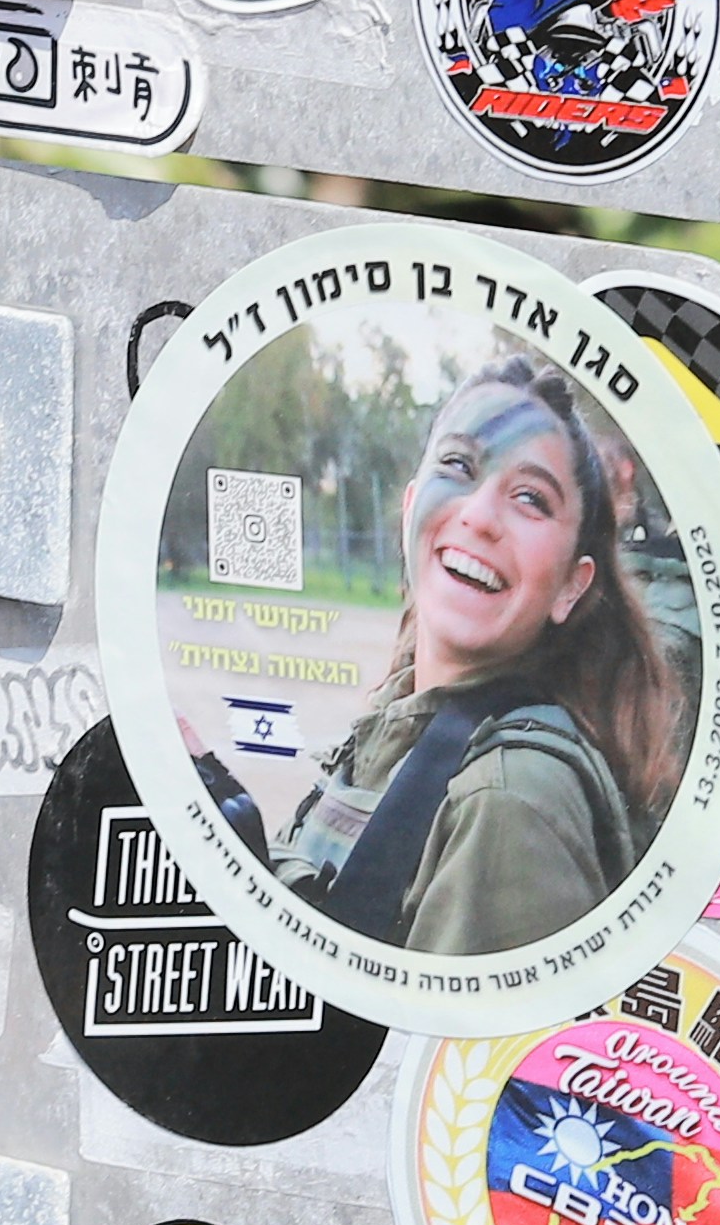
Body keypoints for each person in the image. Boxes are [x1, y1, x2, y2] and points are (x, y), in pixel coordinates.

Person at [254, 359, 691, 958]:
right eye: (458, 465)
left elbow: (434, 1053)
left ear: (572, 584)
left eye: (531, 499)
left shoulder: (510, 800)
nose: (480, 516)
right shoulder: (404, 715)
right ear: (411, 509)